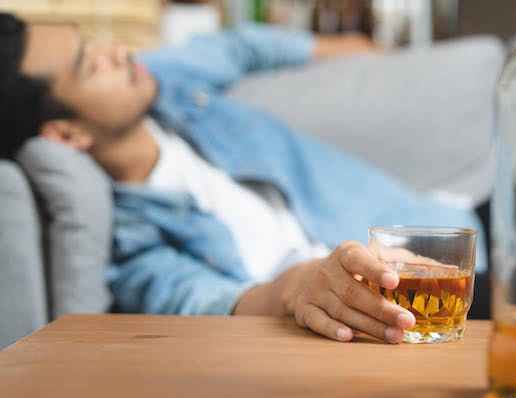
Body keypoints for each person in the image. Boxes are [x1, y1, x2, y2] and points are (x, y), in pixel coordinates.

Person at [0, 13, 489, 344]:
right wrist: (299, 287)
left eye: (93, 42)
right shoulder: (133, 240)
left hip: (451, 230)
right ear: (66, 133)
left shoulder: (162, 81)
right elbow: (210, 301)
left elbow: (241, 46)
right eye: (89, 64)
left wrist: (344, 46)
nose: (114, 51)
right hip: (385, 306)